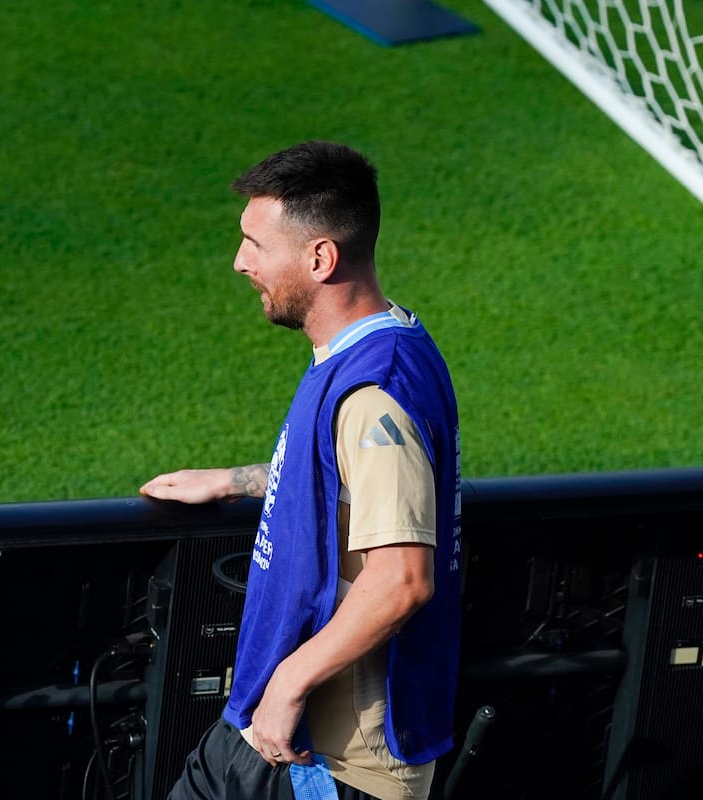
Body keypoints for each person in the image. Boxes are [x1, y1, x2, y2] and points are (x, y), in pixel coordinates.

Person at [140, 141, 462, 800]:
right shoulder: (373, 347)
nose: (240, 262)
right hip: (263, 731)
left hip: (332, 765)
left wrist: (288, 685)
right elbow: (344, 474)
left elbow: (403, 580)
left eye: (256, 245)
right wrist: (238, 481)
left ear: (320, 258)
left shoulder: (377, 392)